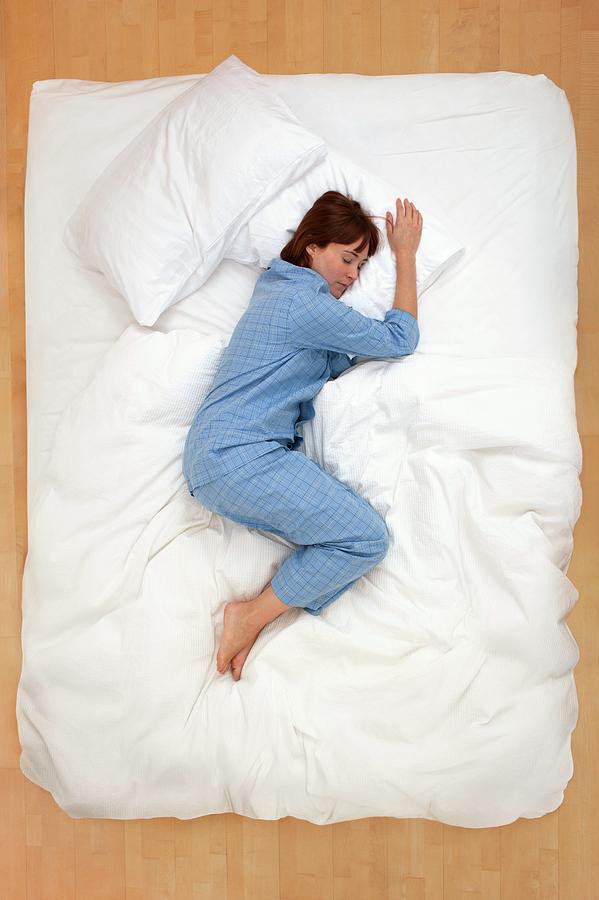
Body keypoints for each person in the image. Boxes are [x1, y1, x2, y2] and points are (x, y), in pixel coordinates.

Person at [183, 191, 423, 680]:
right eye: (347, 258)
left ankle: (253, 616)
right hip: (238, 455)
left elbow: (335, 360)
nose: (353, 275)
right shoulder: (302, 303)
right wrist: (405, 254)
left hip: (227, 455)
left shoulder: (277, 291)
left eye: (361, 264)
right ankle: (247, 616)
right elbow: (401, 340)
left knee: (356, 536)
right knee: (363, 539)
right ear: (311, 246)